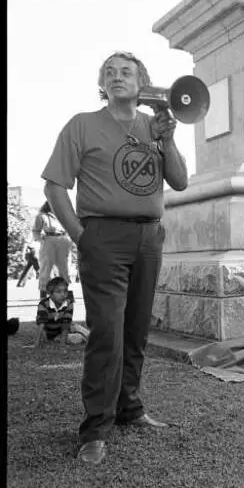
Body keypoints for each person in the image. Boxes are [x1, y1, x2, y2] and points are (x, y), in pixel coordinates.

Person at [41, 51, 189, 465]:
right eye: (110, 72)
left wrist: (168, 140)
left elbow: (178, 180)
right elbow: (55, 188)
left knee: (137, 330)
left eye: (126, 72)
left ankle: (130, 409)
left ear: (142, 83)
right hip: (102, 235)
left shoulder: (154, 126)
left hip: (148, 238)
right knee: (107, 332)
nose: (117, 76)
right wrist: (81, 237)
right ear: (102, 84)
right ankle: (95, 429)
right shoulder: (82, 125)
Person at [33, 201, 72, 299]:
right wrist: (41, 240)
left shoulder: (63, 214)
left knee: (64, 268)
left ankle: (65, 294)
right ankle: (43, 294)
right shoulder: (41, 216)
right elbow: (36, 231)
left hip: (63, 239)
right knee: (46, 267)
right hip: (49, 240)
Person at [34, 277, 76, 347]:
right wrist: (36, 344)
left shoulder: (69, 303)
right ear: (50, 294)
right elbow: (41, 324)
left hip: (63, 331)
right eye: (58, 292)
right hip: (47, 332)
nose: (63, 294)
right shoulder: (43, 304)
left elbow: (66, 323)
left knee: (77, 334)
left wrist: (62, 344)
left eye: (65, 291)